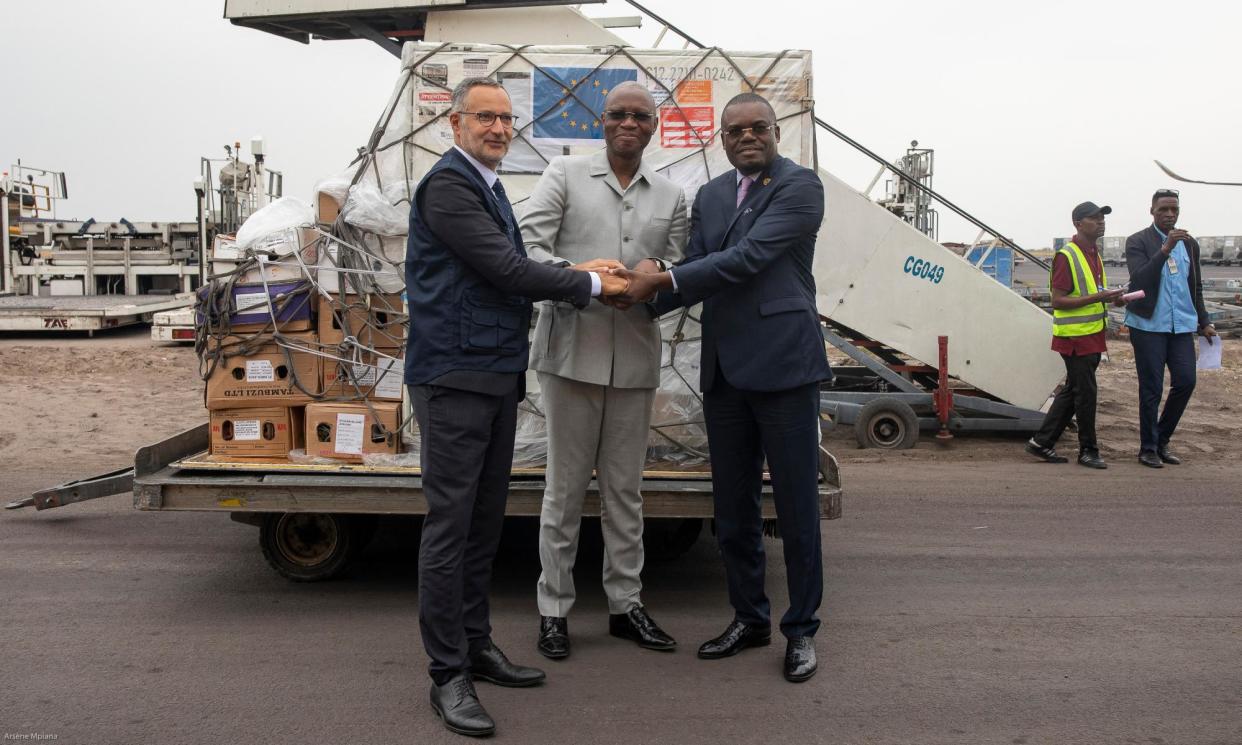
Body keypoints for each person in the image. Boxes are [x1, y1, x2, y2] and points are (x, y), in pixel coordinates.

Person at [403, 76, 627, 738]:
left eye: (506, 119)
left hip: (494, 374)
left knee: (481, 524)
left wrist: (570, 266)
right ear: (455, 123)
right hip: (455, 377)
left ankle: (476, 645)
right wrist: (587, 281)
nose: (499, 128)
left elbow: (510, 262)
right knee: (450, 528)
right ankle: (447, 673)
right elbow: (505, 269)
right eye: (485, 118)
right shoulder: (449, 186)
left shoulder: (489, 185)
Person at [611, 92, 832, 683]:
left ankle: (802, 629)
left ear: (776, 131)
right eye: (735, 131)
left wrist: (660, 278)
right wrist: (625, 298)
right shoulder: (708, 196)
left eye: (758, 127)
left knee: (794, 507)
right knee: (732, 508)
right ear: (723, 140)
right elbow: (697, 275)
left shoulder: (800, 187)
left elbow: (749, 258)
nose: (747, 137)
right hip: (726, 371)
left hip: (785, 368)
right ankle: (749, 618)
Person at [519, 81, 687, 659]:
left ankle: (626, 605)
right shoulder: (564, 177)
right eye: (619, 114)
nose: (629, 124)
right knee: (563, 492)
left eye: (641, 116)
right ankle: (554, 610)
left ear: (654, 126)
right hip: (570, 355)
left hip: (635, 359)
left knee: (625, 492)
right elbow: (528, 249)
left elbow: (686, 265)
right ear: (602, 121)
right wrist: (583, 275)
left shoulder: (670, 195)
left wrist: (656, 271)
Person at [1025, 202, 1127, 469]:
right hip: (1075, 338)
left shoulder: (1093, 254)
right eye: (1094, 218)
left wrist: (1112, 300)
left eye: (1102, 218)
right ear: (1078, 224)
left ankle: (1042, 442)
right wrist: (1100, 296)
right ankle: (1088, 450)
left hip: (1090, 334)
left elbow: (1090, 296)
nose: (1101, 222)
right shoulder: (1066, 256)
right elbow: (1058, 301)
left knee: (1074, 391)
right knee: (1086, 394)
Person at [1123, 189, 1216, 468]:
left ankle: (1161, 439)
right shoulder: (1138, 241)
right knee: (1151, 388)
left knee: (1186, 381)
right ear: (1152, 211)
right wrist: (1164, 250)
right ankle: (1148, 448)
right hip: (1148, 325)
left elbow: (1195, 287)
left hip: (1181, 326)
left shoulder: (1189, 244)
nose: (1169, 214)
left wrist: (1205, 321)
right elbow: (1140, 278)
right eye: (1163, 209)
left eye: (1174, 209)